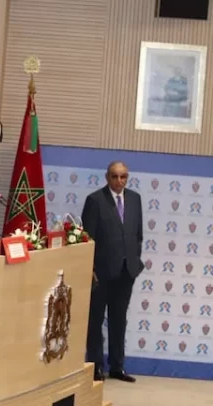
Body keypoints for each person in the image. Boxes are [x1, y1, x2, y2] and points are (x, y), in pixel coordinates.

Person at [82, 161, 143, 383]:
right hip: (101, 273)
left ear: (128, 178)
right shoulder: (95, 200)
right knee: (95, 320)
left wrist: (134, 261)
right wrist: (91, 269)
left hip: (126, 271)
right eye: (115, 176)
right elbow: (88, 238)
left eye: (123, 176)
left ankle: (117, 366)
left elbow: (137, 234)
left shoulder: (135, 199)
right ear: (107, 177)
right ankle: (96, 366)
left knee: (119, 320)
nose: (119, 181)